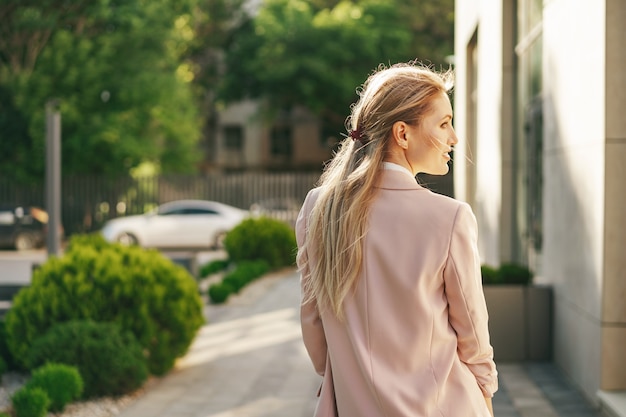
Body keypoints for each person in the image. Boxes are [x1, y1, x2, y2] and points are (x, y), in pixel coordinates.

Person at [295, 62, 498, 417]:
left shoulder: (318, 208)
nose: (454, 138)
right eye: (445, 123)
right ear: (402, 134)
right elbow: (474, 336)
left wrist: (349, 377)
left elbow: (312, 319)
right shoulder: (449, 218)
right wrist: (486, 395)